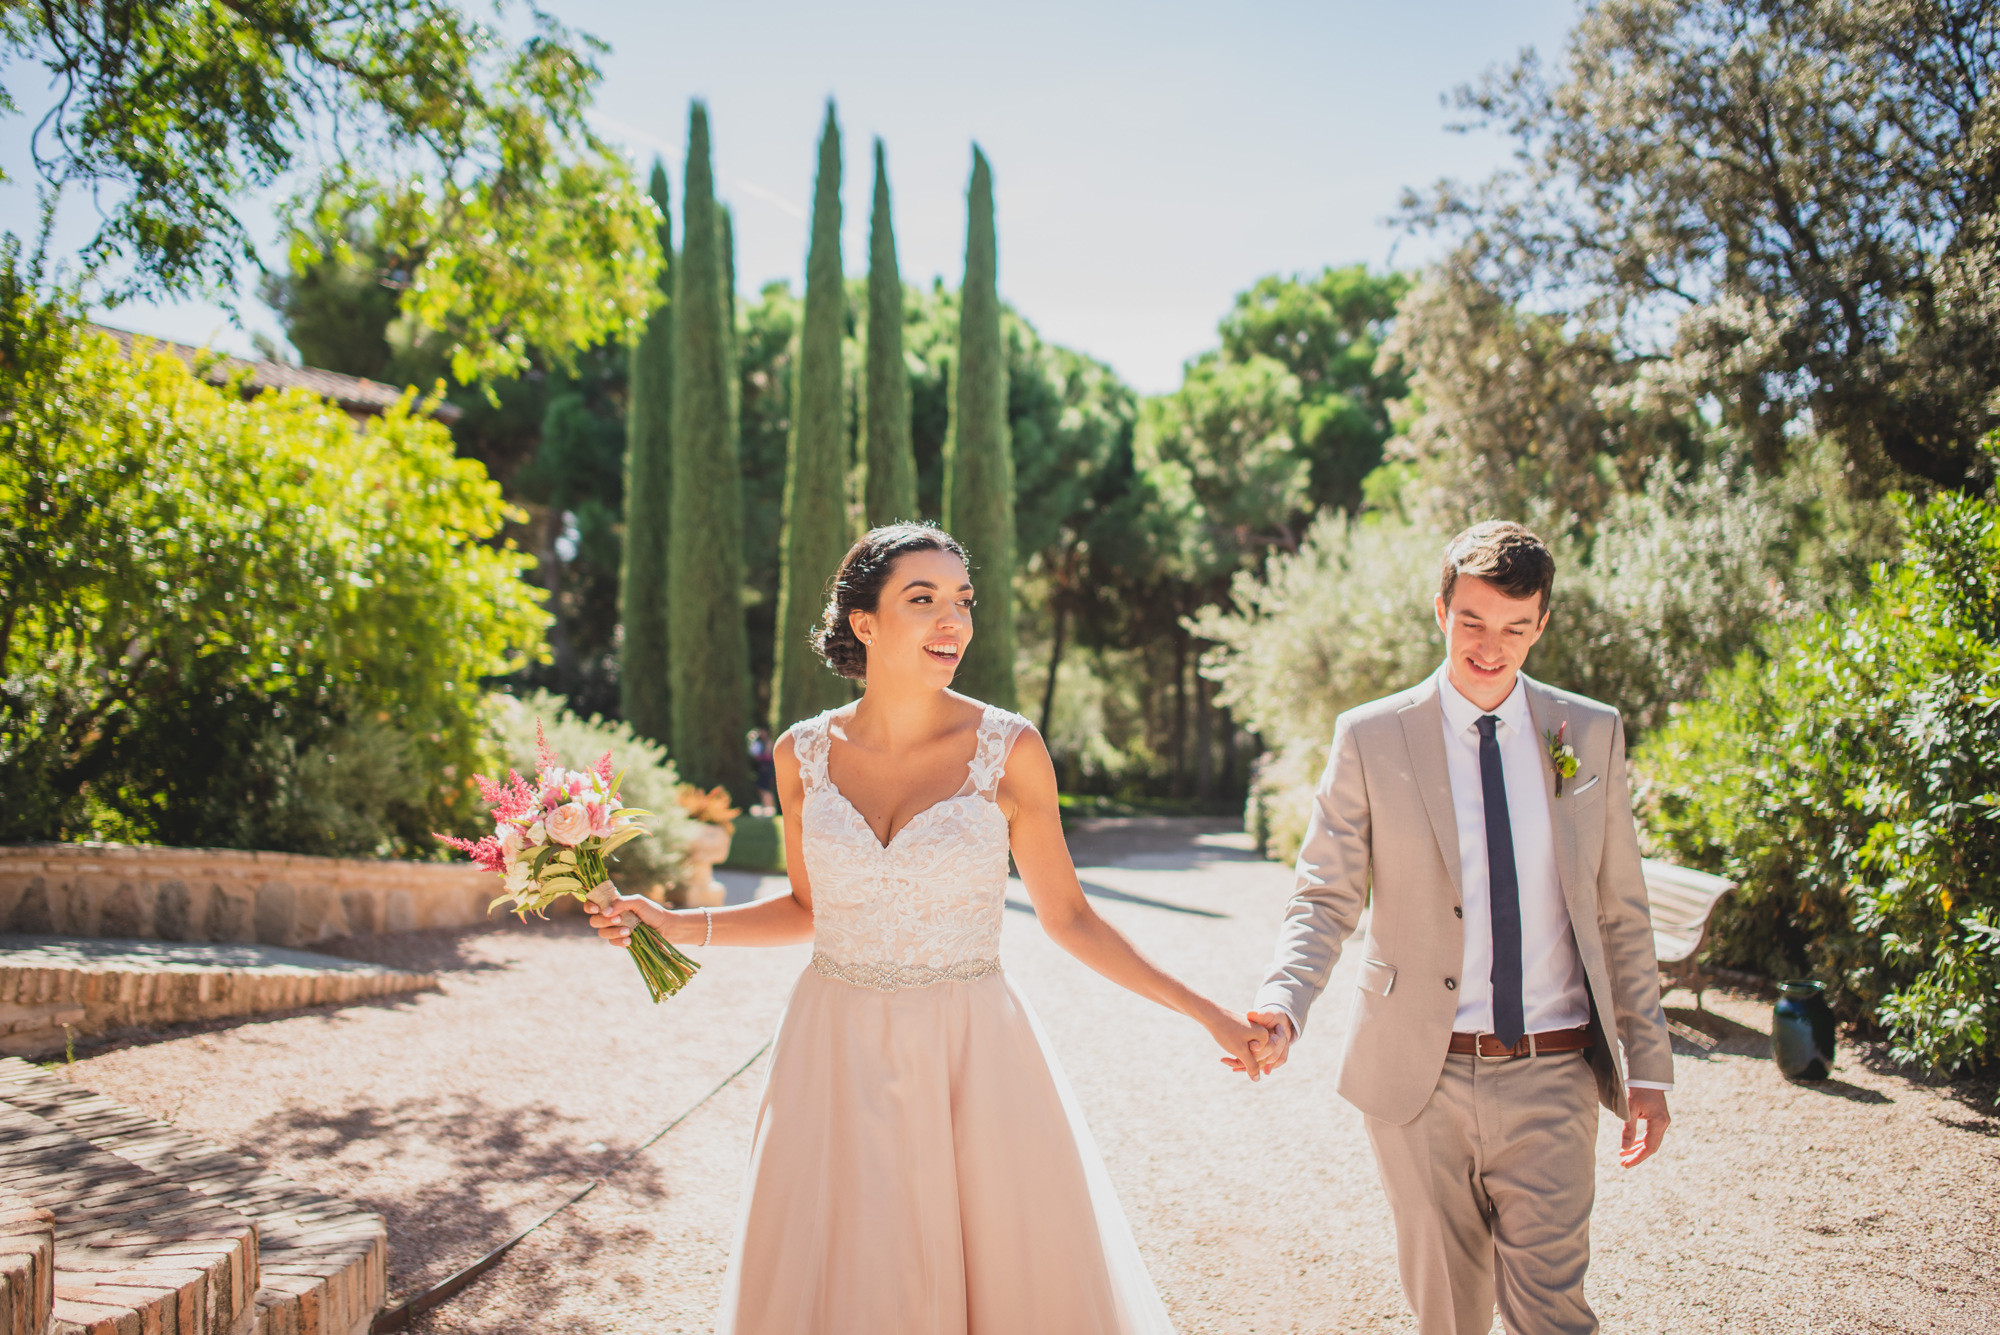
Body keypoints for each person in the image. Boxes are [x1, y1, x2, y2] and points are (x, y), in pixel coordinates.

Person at [589, 521, 1264, 1334]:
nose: (954, 622)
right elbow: (811, 912)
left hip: (971, 1052)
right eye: (924, 600)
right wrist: (673, 921)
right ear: (864, 623)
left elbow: (1070, 916)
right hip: (830, 1048)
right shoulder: (800, 754)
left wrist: (1210, 1013)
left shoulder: (1010, 748)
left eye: (963, 601)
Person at [1237, 521, 1674, 1335]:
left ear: (1541, 624)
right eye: (1472, 619)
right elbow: (1324, 894)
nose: (1491, 645)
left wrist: (1647, 1064)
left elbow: (1620, 913)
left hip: (1553, 1069)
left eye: (1515, 626)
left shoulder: (1588, 732)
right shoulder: (1371, 735)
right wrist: (1283, 1000)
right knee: (1448, 1314)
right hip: (1418, 1078)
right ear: (1441, 611)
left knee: (1555, 1313)